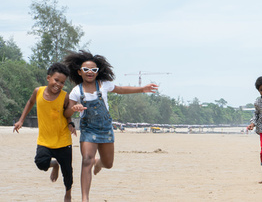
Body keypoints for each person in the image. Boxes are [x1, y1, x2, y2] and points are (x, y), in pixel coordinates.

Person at [63, 50, 158, 201]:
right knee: (86, 159)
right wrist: (74, 109)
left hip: (105, 129)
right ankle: (84, 198)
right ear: (79, 72)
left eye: (94, 70)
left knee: (108, 164)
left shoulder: (104, 85)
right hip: (88, 129)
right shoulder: (76, 91)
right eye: (86, 69)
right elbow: (67, 112)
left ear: (97, 72)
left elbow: (121, 90)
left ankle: (98, 163)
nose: (90, 72)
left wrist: (142, 89)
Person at [13, 63, 76, 202]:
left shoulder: (65, 97)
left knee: (68, 173)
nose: (58, 84)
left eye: (62, 83)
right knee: (41, 163)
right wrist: (21, 120)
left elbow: (67, 114)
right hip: (45, 140)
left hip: (63, 141)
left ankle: (68, 193)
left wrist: (71, 123)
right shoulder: (38, 91)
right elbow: (30, 102)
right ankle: (55, 164)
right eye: (56, 80)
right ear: (48, 78)